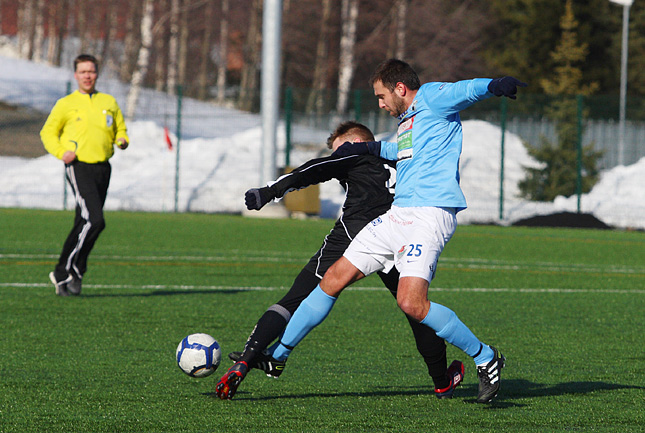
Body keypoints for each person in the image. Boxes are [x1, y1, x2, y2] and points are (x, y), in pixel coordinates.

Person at [261, 59, 527, 403]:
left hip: (430, 215)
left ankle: (486, 357)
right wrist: (368, 148)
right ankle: (278, 356)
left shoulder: (431, 97)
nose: (381, 104)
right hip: (398, 215)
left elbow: (464, 90)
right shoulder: (408, 121)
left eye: (381, 96)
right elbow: (399, 152)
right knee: (333, 278)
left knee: (411, 303)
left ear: (400, 88)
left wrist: (493, 84)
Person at [215, 121, 464, 400]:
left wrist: (270, 191)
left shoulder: (354, 152)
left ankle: (247, 360)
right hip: (401, 234)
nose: (338, 158)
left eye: (339, 151)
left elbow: (314, 169)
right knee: (415, 310)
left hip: (355, 233)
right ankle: (442, 382)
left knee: (295, 297)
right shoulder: (401, 156)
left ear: (355, 143)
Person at [41, 54, 129, 296]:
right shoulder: (66, 104)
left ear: (97, 73)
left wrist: (122, 139)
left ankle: (62, 274)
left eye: (91, 71)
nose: (87, 76)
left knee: (83, 221)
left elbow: (120, 127)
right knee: (95, 220)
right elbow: (47, 133)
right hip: (78, 166)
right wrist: (61, 152)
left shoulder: (108, 101)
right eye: (83, 72)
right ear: (76, 75)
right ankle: (75, 268)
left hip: (103, 167)